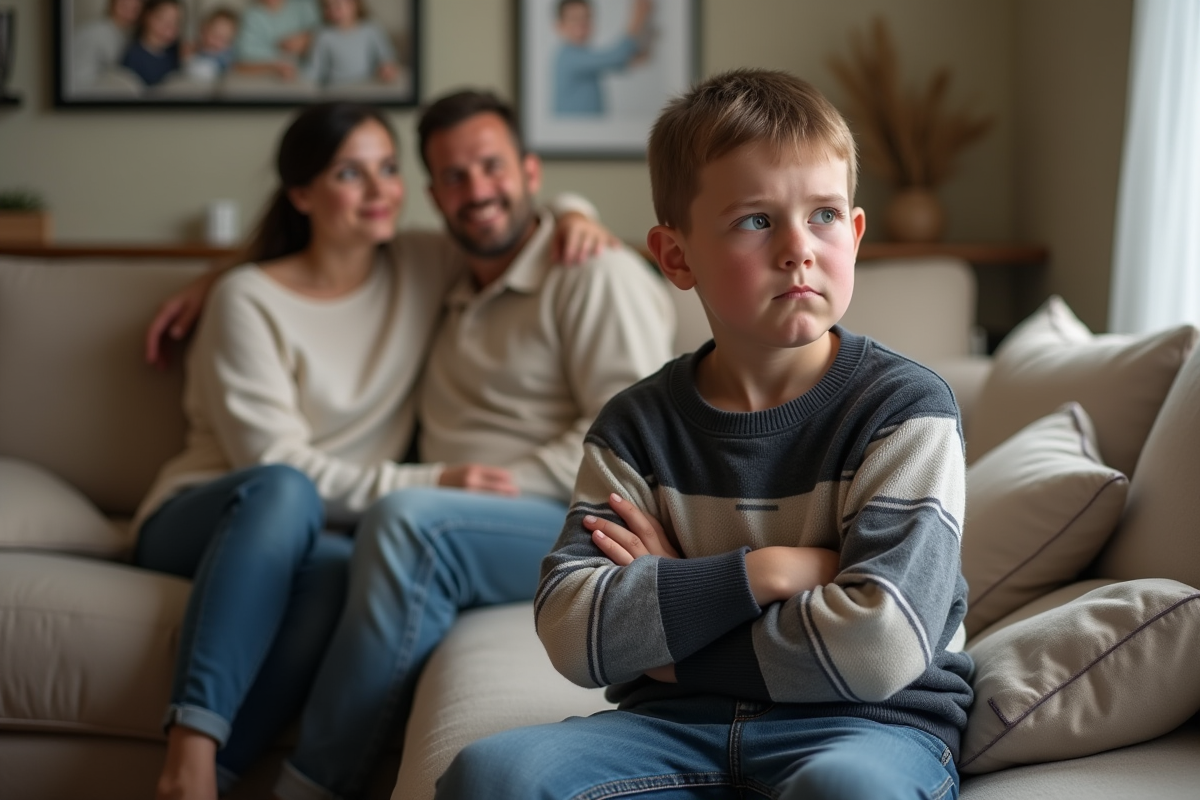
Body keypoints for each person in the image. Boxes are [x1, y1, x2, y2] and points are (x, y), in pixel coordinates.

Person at [436, 68, 974, 800]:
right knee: (490, 776)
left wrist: (671, 626)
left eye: (822, 214)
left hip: (865, 726)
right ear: (676, 256)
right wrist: (768, 572)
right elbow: (571, 628)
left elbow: (880, 644)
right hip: (671, 726)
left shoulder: (905, 409)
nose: (798, 248)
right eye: (756, 220)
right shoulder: (635, 427)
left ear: (853, 234)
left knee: (846, 791)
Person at [133, 100, 622, 800]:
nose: (378, 190)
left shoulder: (419, 263)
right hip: (221, 515)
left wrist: (576, 212)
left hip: (330, 531)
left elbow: (506, 217)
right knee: (284, 492)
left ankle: (220, 778)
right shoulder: (246, 300)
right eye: (349, 174)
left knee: (339, 568)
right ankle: (188, 753)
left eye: (388, 169)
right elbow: (273, 463)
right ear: (302, 194)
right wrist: (218, 279)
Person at [552, 0, 653, 116]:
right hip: (574, 126)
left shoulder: (584, 57)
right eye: (574, 18)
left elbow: (618, 63)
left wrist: (633, 56)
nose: (582, 23)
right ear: (560, 25)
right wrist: (638, 17)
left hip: (586, 125)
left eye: (587, 17)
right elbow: (615, 57)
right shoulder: (568, 56)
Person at [305, 0, 399, 88]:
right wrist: (300, 75)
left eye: (338, 6)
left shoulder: (371, 29)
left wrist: (387, 66)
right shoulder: (323, 35)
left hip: (367, 85)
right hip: (336, 88)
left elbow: (386, 54)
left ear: (354, 4)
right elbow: (315, 68)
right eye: (327, 7)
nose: (332, 12)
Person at [233, 0, 320, 82]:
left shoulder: (304, 5)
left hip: (309, 76)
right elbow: (241, 64)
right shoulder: (251, 17)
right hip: (267, 81)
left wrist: (307, 39)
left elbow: (322, 33)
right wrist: (274, 68)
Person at [69, 0, 143, 92]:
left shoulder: (122, 35)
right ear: (112, 5)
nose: (128, 13)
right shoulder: (96, 32)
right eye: (124, 6)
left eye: (134, 9)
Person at [120, 0, 183, 87]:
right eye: (163, 19)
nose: (170, 26)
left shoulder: (176, 51)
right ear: (148, 17)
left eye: (176, 22)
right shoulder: (133, 57)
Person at [184, 7, 239, 83]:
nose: (218, 43)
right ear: (204, 31)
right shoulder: (198, 49)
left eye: (225, 40)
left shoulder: (227, 54)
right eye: (215, 36)